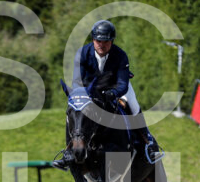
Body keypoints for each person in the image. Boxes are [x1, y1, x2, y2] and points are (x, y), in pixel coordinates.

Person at [53, 19, 161, 173]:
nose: (101, 45)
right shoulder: (82, 53)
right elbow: (77, 81)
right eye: (98, 41)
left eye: (106, 41)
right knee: (73, 111)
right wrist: (85, 96)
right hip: (90, 90)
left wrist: (113, 93)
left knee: (133, 104)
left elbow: (122, 84)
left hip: (114, 87)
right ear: (93, 39)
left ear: (112, 41)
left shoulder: (120, 55)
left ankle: (148, 141)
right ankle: (68, 151)